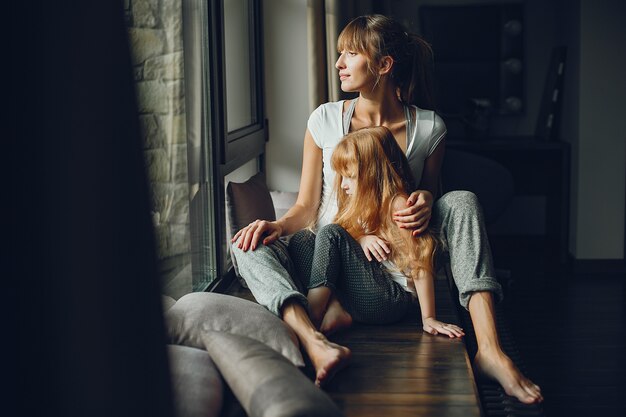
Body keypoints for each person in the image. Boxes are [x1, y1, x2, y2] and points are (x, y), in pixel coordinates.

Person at [232, 14, 543, 403]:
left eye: (350, 54)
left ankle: (491, 351)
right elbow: (307, 206)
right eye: (338, 53)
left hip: (389, 266)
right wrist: (276, 225)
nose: (338, 63)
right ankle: (313, 338)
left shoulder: (430, 128)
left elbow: (430, 201)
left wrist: (427, 199)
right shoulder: (325, 119)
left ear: (384, 65)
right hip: (330, 252)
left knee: (462, 201)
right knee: (244, 244)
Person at [293, 126, 465, 341]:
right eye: (342, 176)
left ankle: (311, 316)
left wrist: (429, 318)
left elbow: (420, 259)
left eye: (350, 176)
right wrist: (362, 239)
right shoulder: (359, 202)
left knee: (330, 233)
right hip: (365, 287)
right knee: (302, 239)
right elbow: (341, 246)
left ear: (372, 174)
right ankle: (337, 309)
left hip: (389, 299)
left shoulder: (398, 205)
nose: (343, 185)